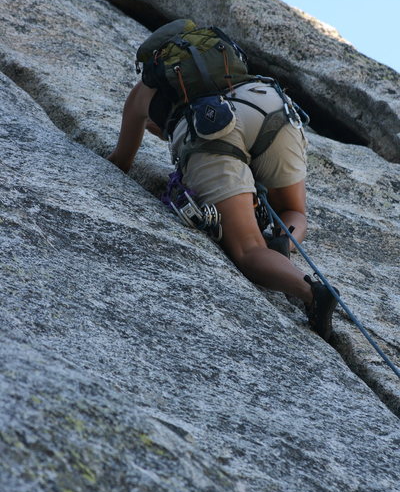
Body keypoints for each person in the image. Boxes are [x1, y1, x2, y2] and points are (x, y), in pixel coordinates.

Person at [108, 72, 338, 342]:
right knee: (294, 210)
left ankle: (311, 293)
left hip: (209, 128)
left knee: (249, 249)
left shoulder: (144, 90)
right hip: (269, 104)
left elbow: (120, 161)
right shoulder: (229, 66)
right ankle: (282, 242)